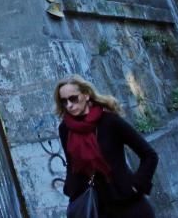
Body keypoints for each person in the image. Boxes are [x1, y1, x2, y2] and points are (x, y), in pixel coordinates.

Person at [55, 75, 159, 218]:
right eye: (64, 101)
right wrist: (71, 190)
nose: (69, 105)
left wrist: (136, 185)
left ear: (86, 95)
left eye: (73, 98)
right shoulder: (65, 129)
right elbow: (71, 165)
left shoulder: (109, 122)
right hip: (95, 206)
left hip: (126, 203)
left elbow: (149, 155)